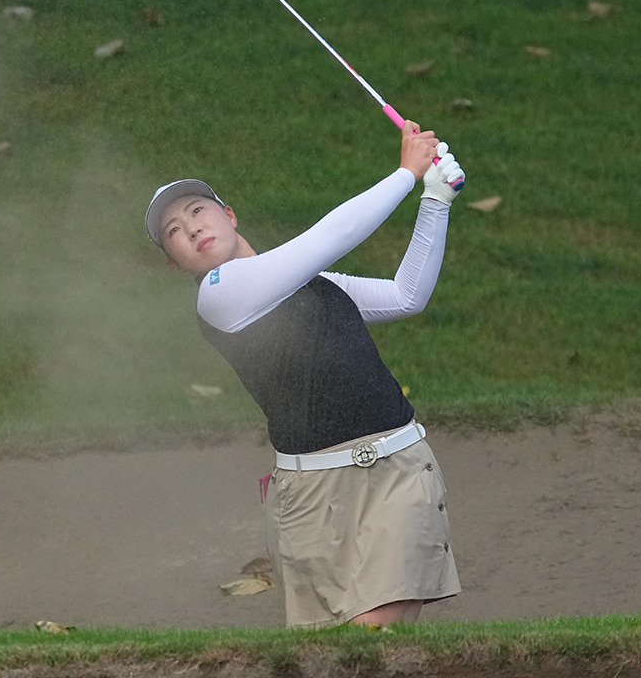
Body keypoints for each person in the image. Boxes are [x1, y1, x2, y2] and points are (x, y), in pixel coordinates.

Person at [145, 121, 464, 629]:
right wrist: (407, 173)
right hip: (314, 493)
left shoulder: (314, 284)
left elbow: (407, 295)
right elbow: (329, 237)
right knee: (338, 645)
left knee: (381, 622)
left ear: (228, 215)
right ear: (173, 263)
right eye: (174, 233)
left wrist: (436, 200)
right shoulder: (219, 294)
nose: (191, 230)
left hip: (397, 468)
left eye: (197, 212)